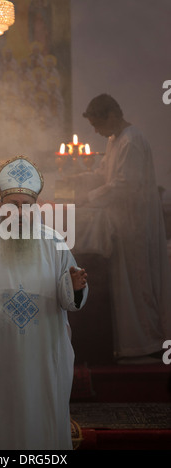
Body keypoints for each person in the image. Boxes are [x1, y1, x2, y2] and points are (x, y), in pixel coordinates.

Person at [0, 155, 88, 450]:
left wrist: (73, 287)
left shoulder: (54, 241)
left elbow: (69, 292)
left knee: (40, 416)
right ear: (1, 207)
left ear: (35, 207)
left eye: (26, 206)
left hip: (41, 354)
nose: (20, 212)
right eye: (13, 205)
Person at [75, 93, 171, 362]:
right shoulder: (115, 139)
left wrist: (88, 197)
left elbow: (123, 186)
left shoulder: (132, 140)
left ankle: (149, 343)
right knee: (126, 286)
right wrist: (81, 178)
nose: (95, 131)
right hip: (123, 222)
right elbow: (106, 174)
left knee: (140, 282)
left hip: (136, 223)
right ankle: (131, 345)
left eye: (97, 124)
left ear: (113, 116)